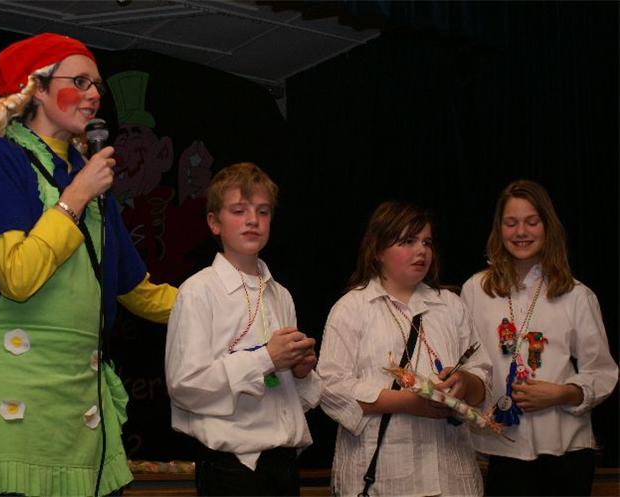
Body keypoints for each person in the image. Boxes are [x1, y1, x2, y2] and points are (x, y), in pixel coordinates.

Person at [0, 33, 177, 497]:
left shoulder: (88, 180)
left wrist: (227, 307)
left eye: (96, 85)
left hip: (79, 396)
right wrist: (75, 197)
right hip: (11, 385)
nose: (94, 94)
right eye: (79, 82)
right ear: (37, 88)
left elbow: (139, 292)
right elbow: (17, 276)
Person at [165, 162, 322, 496]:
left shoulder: (280, 294)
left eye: (263, 212)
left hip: (283, 461)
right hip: (232, 467)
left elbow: (290, 395)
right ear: (214, 223)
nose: (253, 220)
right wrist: (266, 358)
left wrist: (301, 372)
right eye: (239, 211)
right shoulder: (198, 291)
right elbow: (184, 385)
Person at [317, 201, 491, 497]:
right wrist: (408, 403)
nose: (421, 250)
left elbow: (483, 377)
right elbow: (330, 388)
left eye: (426, 242)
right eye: (408, 241)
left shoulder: (451, 305)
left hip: (450, 479)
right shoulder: (352, 308)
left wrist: (465, 383)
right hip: (382, 480)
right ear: (377, 250)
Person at [461, 180, 618, 496]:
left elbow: (602, 373)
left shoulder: (576, 295)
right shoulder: (475, 290)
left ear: (548, 227)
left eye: (531, 222)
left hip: (564, 449)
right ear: (499, 229)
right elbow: (465, 363)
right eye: (511, 223)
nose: (521, 232)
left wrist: (563, 393)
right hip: (497, 449)